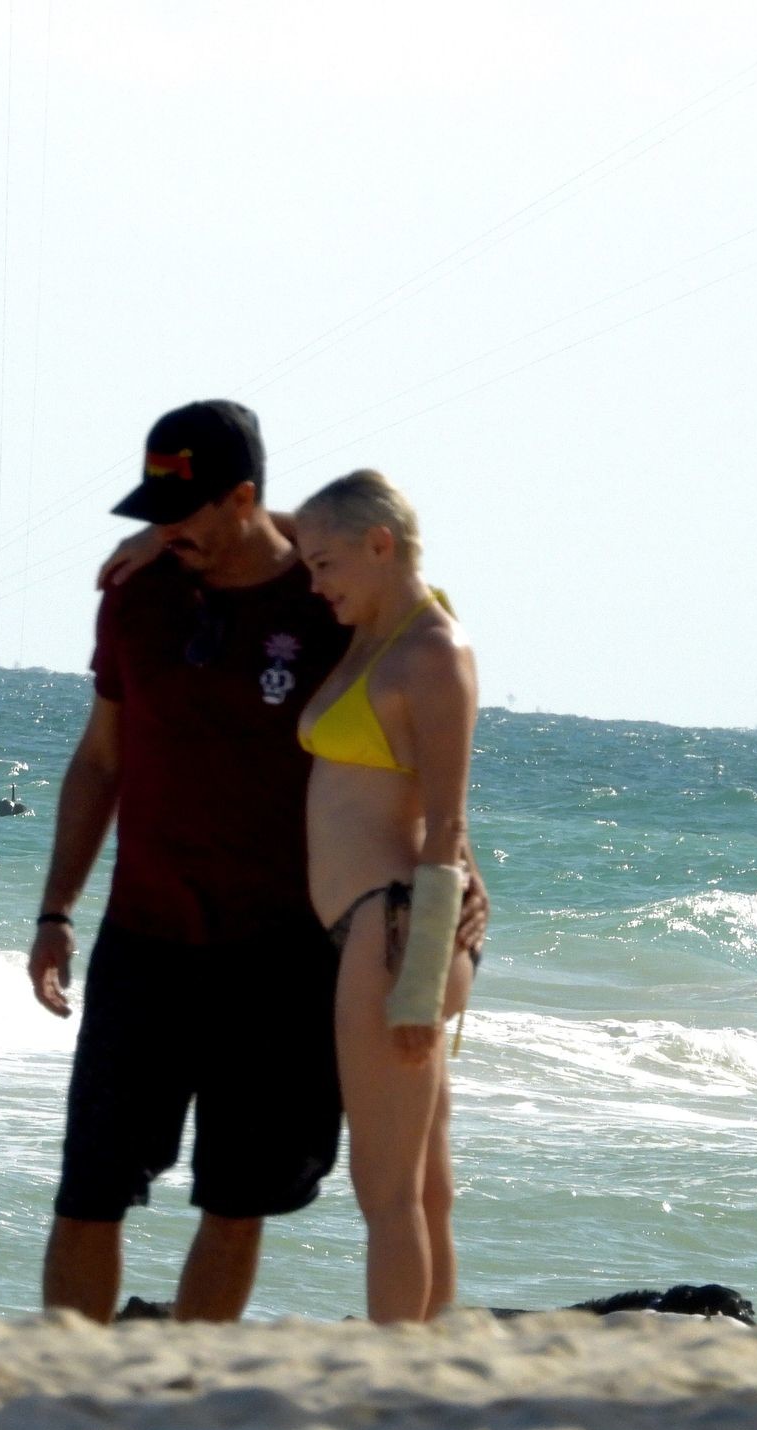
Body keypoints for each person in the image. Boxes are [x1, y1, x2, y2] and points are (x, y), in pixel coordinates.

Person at [28, 400, 485, 1324]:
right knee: (89, 1190)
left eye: (185, 511)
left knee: (243, 1202)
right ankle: (65, 1375)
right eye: (154, 513)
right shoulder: (140, 593)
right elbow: (100, 760)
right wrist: (55, 910)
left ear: (243, 498)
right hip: (146, 936)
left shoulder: (328, 599)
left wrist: (456, 872)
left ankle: (198, 1385)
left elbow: (426, 714)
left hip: (289, 952)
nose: (167, 531)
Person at [293, 469, 479, 1324]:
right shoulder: (375, 631)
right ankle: (429, 1360)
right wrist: (158, 536)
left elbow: (448, 820)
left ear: (380, 544)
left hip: (396, 929)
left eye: (325, 564)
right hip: (379, 923)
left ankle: (392, 1370)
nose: (314, 583)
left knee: (388, 1191)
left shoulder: (433, 652)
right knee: (425, 1183)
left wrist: (418, 986)